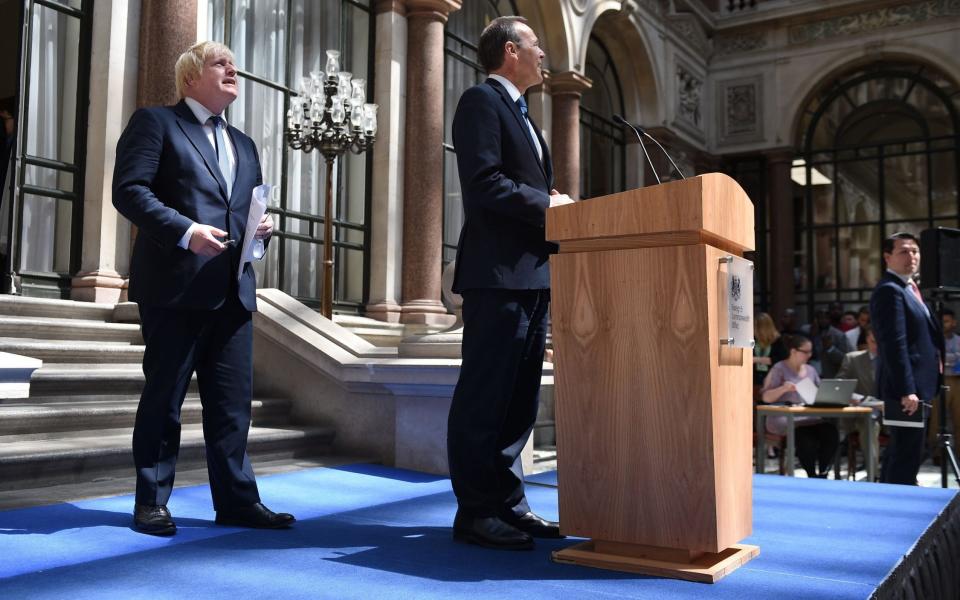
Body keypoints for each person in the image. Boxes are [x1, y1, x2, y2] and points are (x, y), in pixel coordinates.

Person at [112, 41, 293, 535]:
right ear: (190, 77)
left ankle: (236, 500)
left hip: (233, 291)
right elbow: (129, 191)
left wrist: (260, 234)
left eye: (235, 63)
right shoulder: (155, 123)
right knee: (164, 399)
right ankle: (151, 501)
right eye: (221, 63)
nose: (233, 69)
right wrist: (186, 231)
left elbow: (244, 209)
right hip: (174, 288)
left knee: (233, 405)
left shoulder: (246, 145)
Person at [447, 16, 573, 551]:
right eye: (536, 46)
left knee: (518, 400)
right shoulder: (481, 102)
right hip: (496, 276)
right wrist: (549, 204)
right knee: (485, 396)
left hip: (532, 277)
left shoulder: (528, 118)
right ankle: (475, 511)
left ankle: (508, 503)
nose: (543, 55)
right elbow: (484, 184)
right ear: (509, 52)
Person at [870, 232, 944, 485]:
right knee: (906, 454)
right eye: (903, 251)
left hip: (919, 386)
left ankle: (890, 498)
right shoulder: (890, 291)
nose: (911, 256)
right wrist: (907, 389)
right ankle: (896, 507)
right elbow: (894, 344)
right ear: (887, 257)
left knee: (907, 451)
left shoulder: (911, 288)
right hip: (905, 390)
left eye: (915, 251)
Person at [761, 334, 840, 478]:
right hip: (785, 418)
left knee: (831, 432)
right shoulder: (779, 368)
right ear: (793, 351)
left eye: (811, 352)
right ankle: (811, 475)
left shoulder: (810, 370)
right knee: (805, 438)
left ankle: (822, 472)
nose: (809, 355)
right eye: (806, 352)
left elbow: (820, 391)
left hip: (809, 417)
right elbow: (766, 397)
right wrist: (783, 389)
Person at [837, 326, 880, 474]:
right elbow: (839, 386)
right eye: (874, 341)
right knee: (869, 427)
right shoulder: (853, 359)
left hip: (892, 412)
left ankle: (906, 475)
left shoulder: (894, 361)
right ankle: (874, 477)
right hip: (864, 412)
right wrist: (859, 399)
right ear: (867, 340)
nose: (877, 346)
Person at [928, 307, 960, 460]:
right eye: (942, 321)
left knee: (958, 418)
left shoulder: (958, 340)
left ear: (954, 322)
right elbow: (936, 358)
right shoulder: (932, 339)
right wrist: (952, 357)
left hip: (957, 381)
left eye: (947, 321)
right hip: (939, 380)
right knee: (937, 420)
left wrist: (948, 358)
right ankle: (936, 454)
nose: (944, 324)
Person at [802, 308, 849, 378]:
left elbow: (843, 359)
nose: (823, 321)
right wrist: (811, 336)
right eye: (820, 318)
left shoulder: (838, 335)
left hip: (829, 375)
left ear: (830, 319)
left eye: (826, 318)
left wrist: (830, 348)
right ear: (815, 319)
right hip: (808, 375)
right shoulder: (806, 331)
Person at [753, 312, 787, 388]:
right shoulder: (753, 339)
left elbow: (781, 360)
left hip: (773, 379)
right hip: (755, 379)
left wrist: (757, 360)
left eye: (755, 326)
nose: (753, 329)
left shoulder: (778, 341)